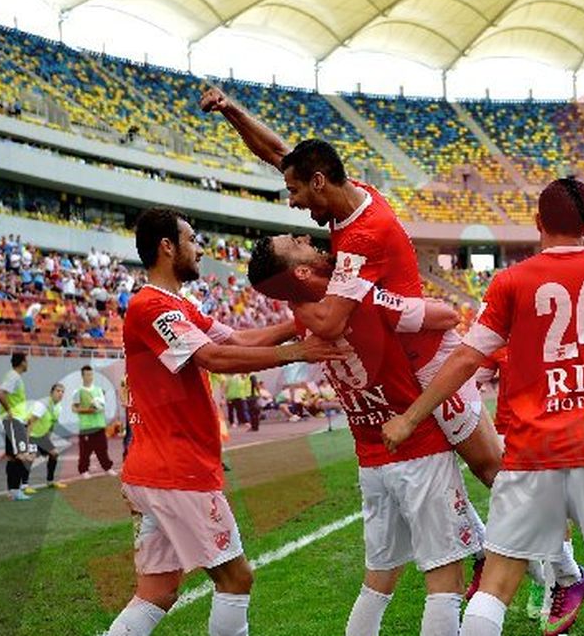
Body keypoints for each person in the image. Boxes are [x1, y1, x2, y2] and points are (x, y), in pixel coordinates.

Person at [383, 178, 584, 636]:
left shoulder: (511, 281)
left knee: (497, 584)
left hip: (532, 450)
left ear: (538, 223)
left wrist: (410, 417)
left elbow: (466, 357)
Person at [203, 90, 503, 488]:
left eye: (294, 191)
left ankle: (555, 550)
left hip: (425, 356)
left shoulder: (362, 239)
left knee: (489, 467)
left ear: (319, 182)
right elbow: (277, 152)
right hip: (399, 351)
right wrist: (231, 112)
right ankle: (488, 547)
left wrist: (291, 291)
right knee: (429, 473)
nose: (292, 203)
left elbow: (327, 323)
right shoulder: (347, 196)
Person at [103, 206, 346, 636]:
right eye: (192, 239)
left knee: (156, 593)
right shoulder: (150, 306)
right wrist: (295, 353)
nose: (200, 249)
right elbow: (212, 357)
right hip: (177, 471)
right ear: (167, 247)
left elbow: (237, 340)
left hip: (154, 470)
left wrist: (304, 322)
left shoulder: (178, 306)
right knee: (236, 579)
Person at [247, 234, 484, 636]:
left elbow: (244, 341)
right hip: (418, 450)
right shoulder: (362, 300)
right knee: (445, 580)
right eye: (295, 242)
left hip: (372, 461)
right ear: (302, 271)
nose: (305, 238)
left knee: (377, 583)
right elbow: (445, 315)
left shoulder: (305, 320)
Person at [0, 352, 35, 501]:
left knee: (13, 457)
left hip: (15, 420)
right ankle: (16, 491)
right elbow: (0, 394)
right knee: (21, 455)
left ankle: (12, 491)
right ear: (22, 362)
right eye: (27, 361)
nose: (28, 364)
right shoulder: (13, 377)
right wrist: (10, 412)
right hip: (14, 421)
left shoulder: (13, 376)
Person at [72, 365, 114, 478]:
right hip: (86, 426)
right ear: (83, 376)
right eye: (87, 375)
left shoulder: (99, 390)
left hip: (99, 424)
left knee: (103, 449)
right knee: (85, 451)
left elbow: (102, 405)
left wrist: (99, 407)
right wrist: (88, 410)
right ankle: (84, 470)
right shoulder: (78, 391)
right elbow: (74, 408)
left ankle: (107, 468)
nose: (90, 377)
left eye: (91, 374)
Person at [28, 383, 67, 490]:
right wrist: (26, 441)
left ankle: (50, 482)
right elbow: (30, 421)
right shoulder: (42, 405)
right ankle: (24, 485)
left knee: (54, 454)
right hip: (30, 434)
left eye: (62, 392)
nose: (60, 393)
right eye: (58, 391)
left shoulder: (58, 407)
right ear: (51, 393)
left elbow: (51, 425)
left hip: (41, 437)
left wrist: (47, 441)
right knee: (30, 458)